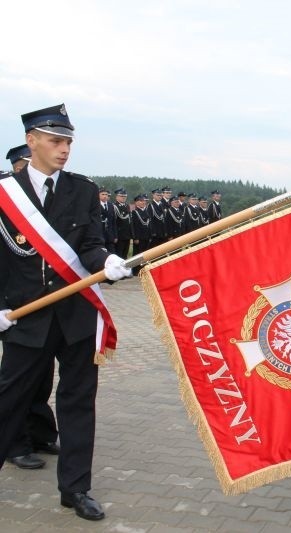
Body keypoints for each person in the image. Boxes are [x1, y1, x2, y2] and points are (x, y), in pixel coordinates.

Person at [0, 103, 132, 521]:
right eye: (56, 141)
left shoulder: (83, 190)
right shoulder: (5, 193)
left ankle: (76, 489)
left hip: (76, 318)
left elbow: (91, 244)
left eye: (69, 142)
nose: (64, 150)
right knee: (8, 402)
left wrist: (105, 263)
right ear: (31, 140)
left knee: (78, 404)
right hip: (26, 317)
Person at [3, 143, 60, 470]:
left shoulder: (49, 200)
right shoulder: (7, 202)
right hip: (16, 309)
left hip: (48, 308)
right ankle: (15, 443)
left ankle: (40, 433)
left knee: (41, 379)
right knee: (16, 383)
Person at [112, 188, 132, 258]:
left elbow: (129, 221)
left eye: (125, 196)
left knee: (125, 254)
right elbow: (113, 222)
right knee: (119, 255)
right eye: (121, 196)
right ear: (117, 197)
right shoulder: (114, 206)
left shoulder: (127, 206)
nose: (123, 198)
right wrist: (115, 235)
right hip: (119, 235)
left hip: (127, 234)